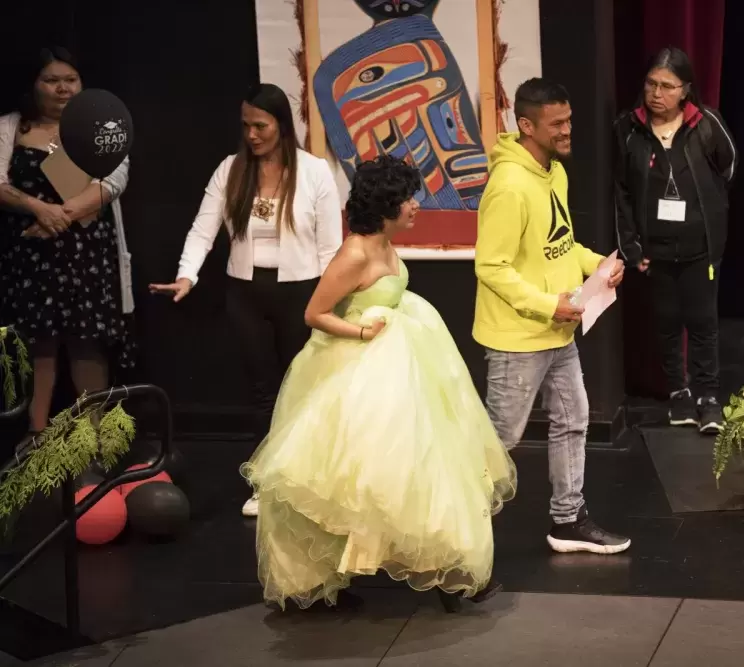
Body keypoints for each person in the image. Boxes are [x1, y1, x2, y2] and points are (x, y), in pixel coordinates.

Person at [241, 155, 515, 611]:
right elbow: (315, 313)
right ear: (386, 203)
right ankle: (354, 576)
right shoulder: (355, 252)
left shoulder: (385, 243)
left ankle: (448, 570)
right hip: (362, 368)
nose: (416, 206)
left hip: (405, 357)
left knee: (426, 464)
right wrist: (362, 331)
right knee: (363, 478)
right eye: (408, 198)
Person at [150, 84, 342, 518]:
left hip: (301, 293)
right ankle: (266, 482)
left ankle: (309, 478)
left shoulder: (314, 173)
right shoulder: (231, 170)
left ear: (280, 125)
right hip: (246, 293)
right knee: (262, 391)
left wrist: (333, 302)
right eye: (246, 126)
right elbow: (204, 229)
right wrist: (187, 275)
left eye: (261, 125)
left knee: (302, 389)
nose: (252, 134)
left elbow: (332, 248)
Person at [473, 78, 629, 555]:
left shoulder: (551, 172)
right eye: (556, 123)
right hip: (517, 337)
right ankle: (458, 523)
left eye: (568, 120)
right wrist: (548, 304)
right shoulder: (509, 186)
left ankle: (567, 519)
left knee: (573, 417)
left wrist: (596, 265)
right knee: (501, 437)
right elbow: (490, 266)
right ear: (526, 125)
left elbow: (558, 244)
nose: (567, 131)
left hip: (557, 331)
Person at [0, 47, 134, 434]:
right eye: (52, 80)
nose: (62, 88)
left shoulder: (101, 126)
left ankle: (91, 442)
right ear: (34, 85)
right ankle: (35, 440)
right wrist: (39, 210)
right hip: (30, 256)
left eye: (70, 80)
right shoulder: (11, 126)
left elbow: (113, 181)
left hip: (86, 254)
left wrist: (62, 215)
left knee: (87, 343)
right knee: (36, 345)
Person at [612, 48, 737, 436]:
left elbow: (728, 165)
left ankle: (709, 398)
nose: (656, 93)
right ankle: (679, 394)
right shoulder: (628, 129)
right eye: (651, 83)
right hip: (655, 252)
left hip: (700, 247)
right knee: (667, 324)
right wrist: (632, 248)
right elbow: (622, 192)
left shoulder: (705, 123)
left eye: (667, 86)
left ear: (685, 90)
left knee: (703, 324)